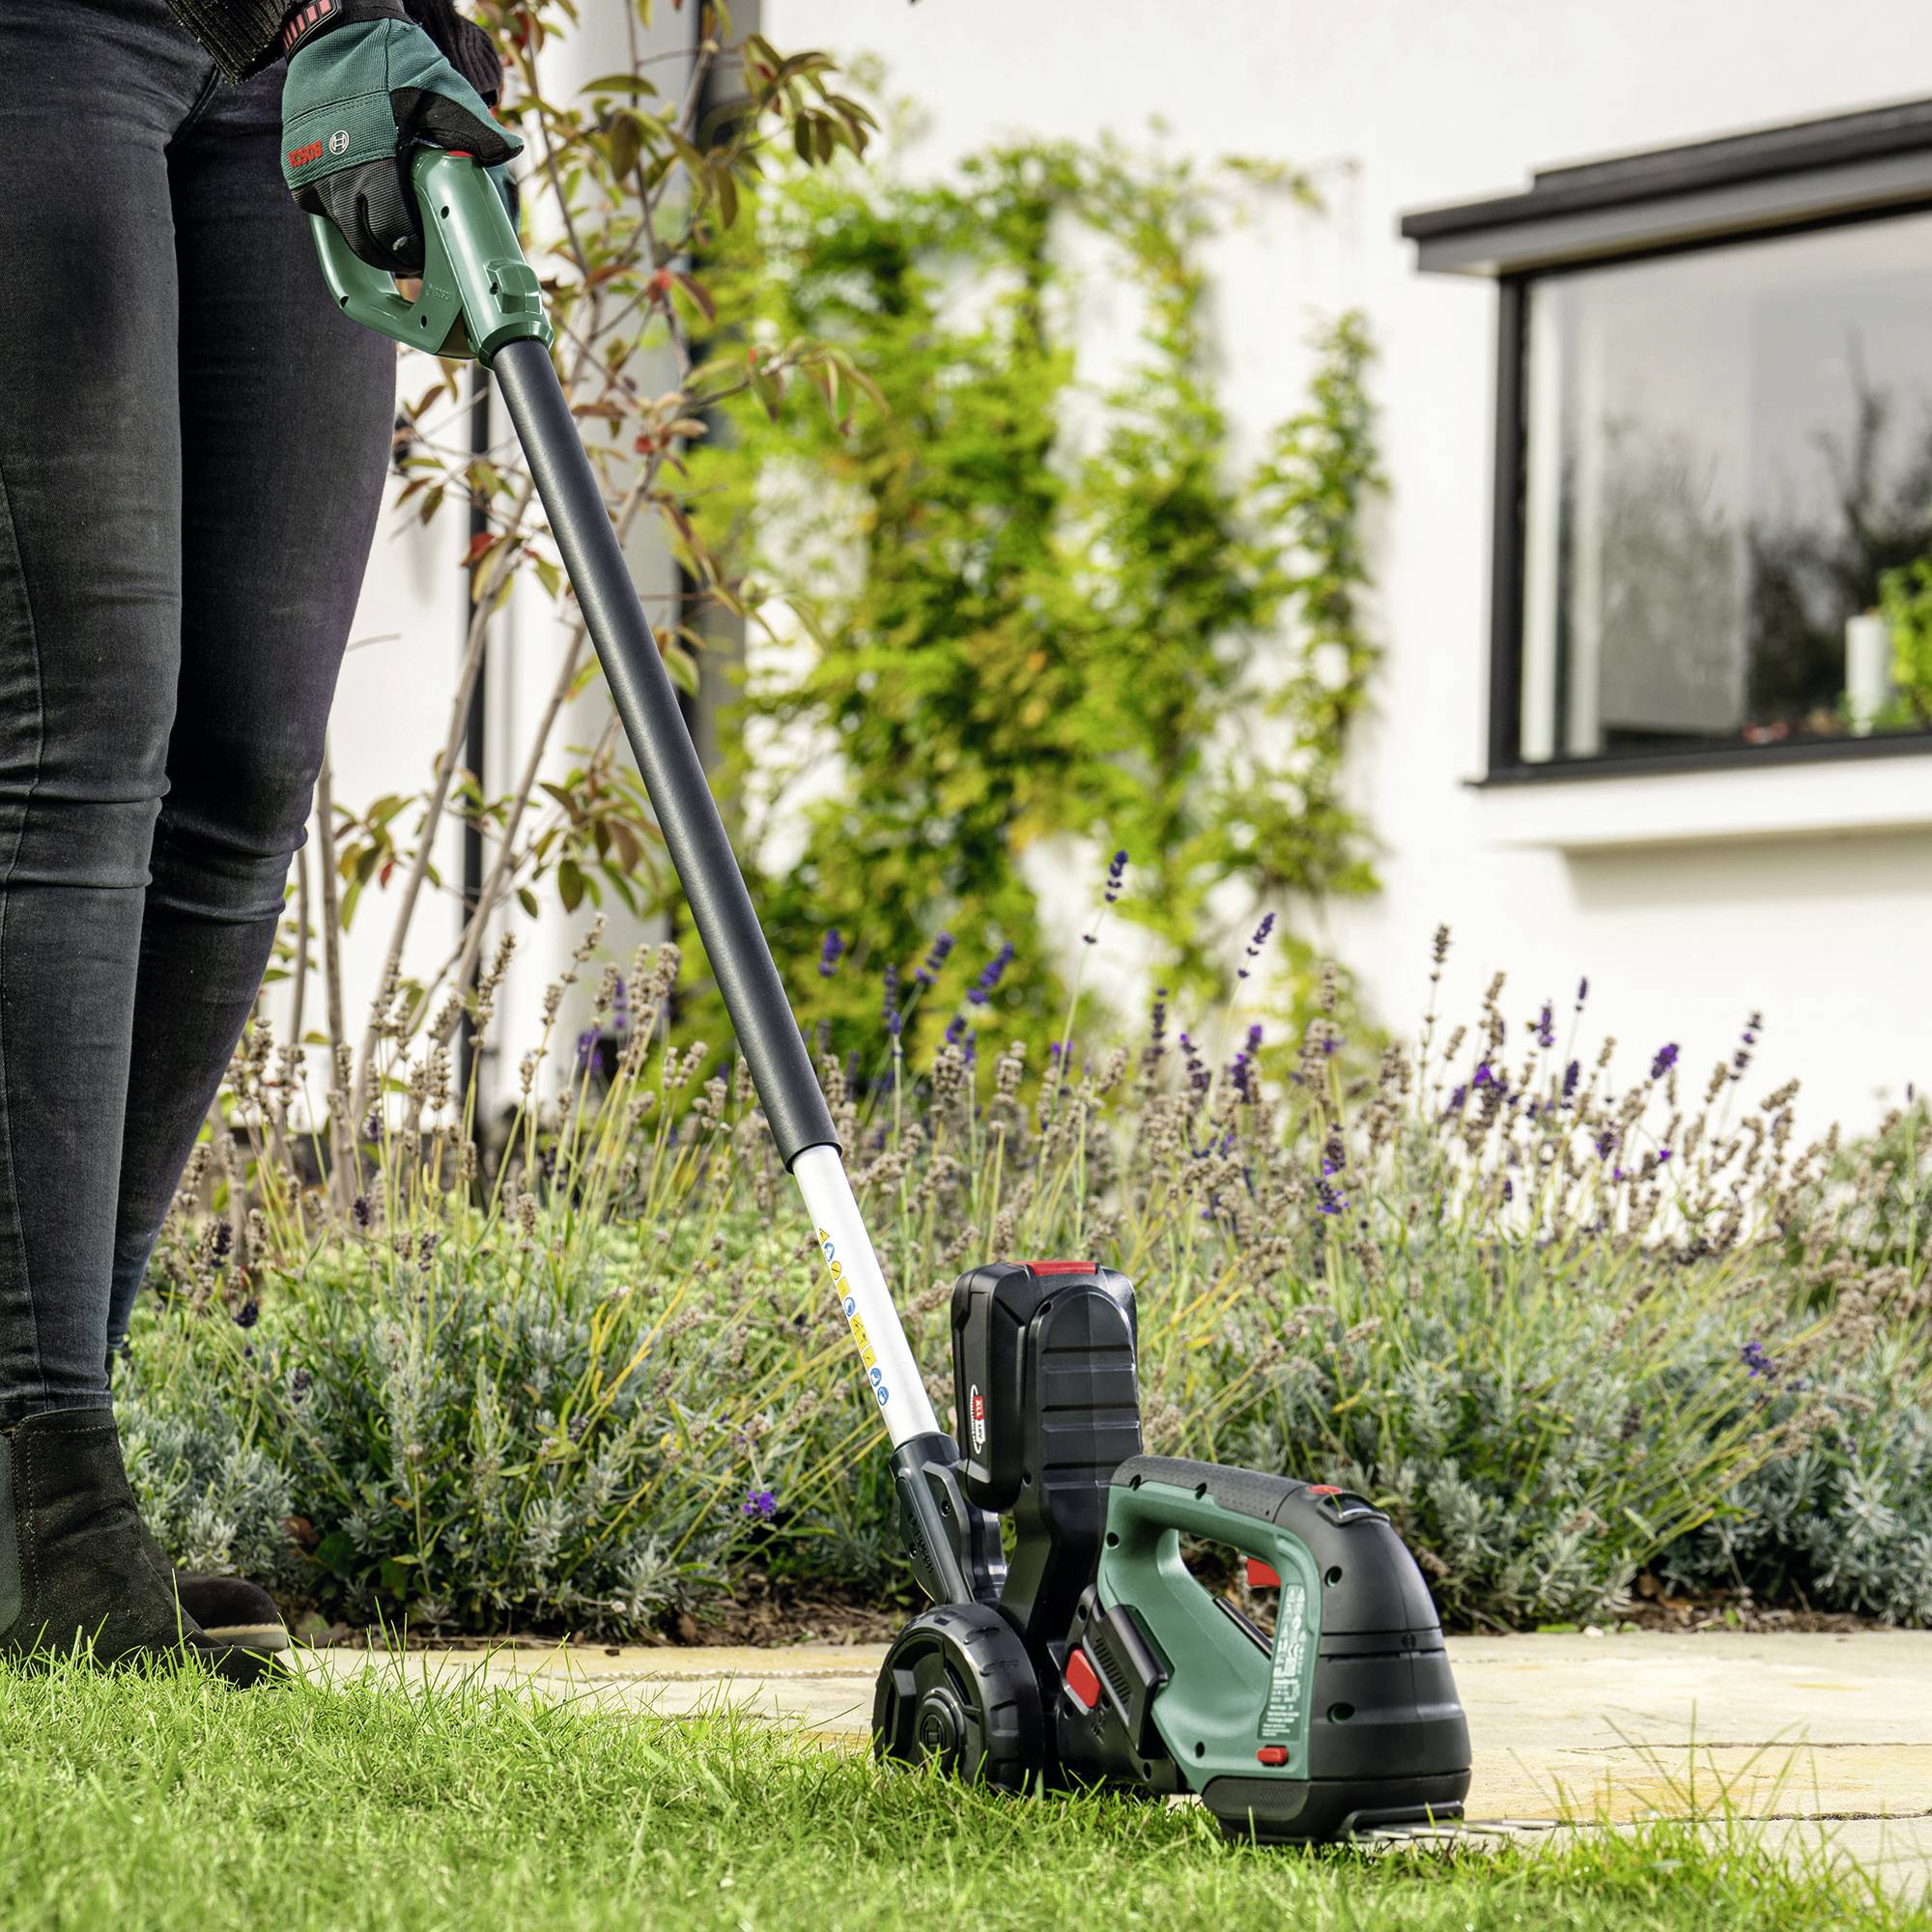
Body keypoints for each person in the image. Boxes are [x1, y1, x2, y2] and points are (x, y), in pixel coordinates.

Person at [0, 0, 518, 1682]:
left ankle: (50, 1468)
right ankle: (45, 1481)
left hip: (294, 53)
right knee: (76, 736)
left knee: (245, 763)